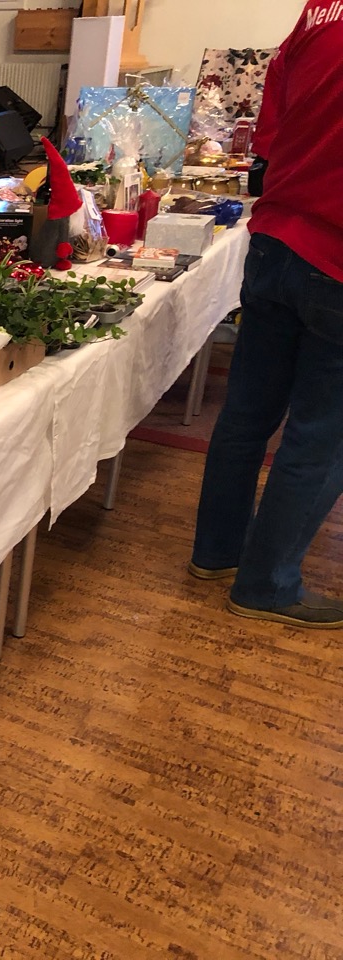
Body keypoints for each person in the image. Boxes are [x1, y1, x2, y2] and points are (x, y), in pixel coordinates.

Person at [191, 0, 343, 628]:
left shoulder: (320, 12)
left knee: (248, 414)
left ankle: (217, 553)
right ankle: (267, 585)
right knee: (322, 435)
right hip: (334, 256)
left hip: (275, 240)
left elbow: (269, 131)